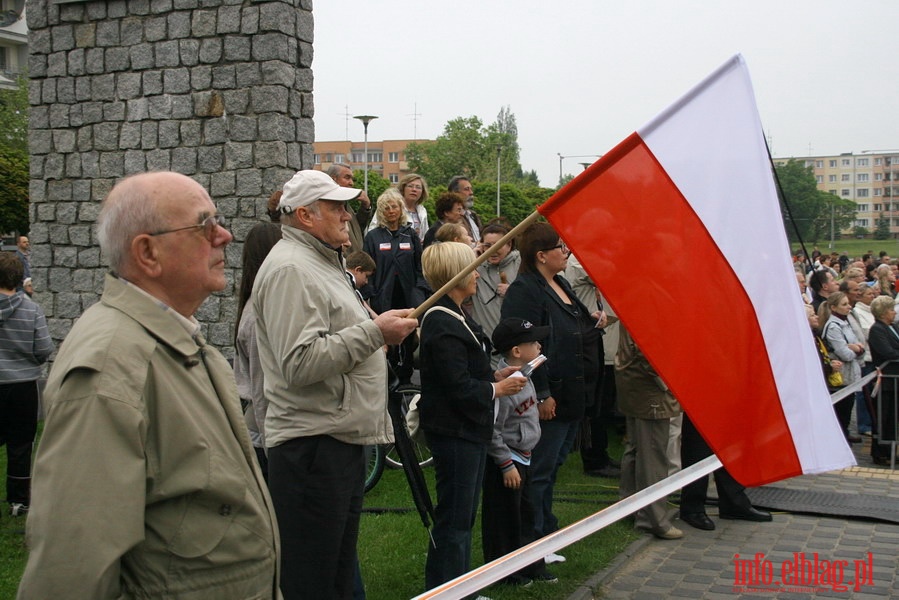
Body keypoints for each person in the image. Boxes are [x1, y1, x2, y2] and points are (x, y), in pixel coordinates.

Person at [18, 172, 280, 599]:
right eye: (205, 225)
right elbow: (72, 566)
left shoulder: (174, 337)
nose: (225, 236)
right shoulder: (109, 369)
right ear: (148, 253)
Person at [253, 169, 417, 600]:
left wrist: (374, 331)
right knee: (313, 579)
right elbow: (299, 361)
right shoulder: (292, 268)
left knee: (337, 576)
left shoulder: (321, 262)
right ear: (305, 215)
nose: (348, 215)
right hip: (313, 446)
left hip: (333, 439)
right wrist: (375, 333)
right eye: (337, 206)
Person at [417, 241, 524, 594]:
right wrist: (496, 391)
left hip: (468, 430)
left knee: (463, 515)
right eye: (472, 267)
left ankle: (460, 586)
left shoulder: (456, 314)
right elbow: (457, 387)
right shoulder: (441, 321)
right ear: (456, 275)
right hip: (455, 432)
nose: (478, 273)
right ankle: (448, 589)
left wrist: (493, 377)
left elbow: (464, 373)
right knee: (455, 518)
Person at [501, 222, 602, 563]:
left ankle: (545, 530)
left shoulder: (559, 282)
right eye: (561, 247)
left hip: (575, 391)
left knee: (554, 464)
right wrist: (542, 393)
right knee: (540, 468)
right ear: (541, 255)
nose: (567, 252)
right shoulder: (525, 290)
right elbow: (524, 345)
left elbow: (576, 322)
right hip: (549, 394)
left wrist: (593, 320)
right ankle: (534, 540)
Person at [482, 317, 557, 586]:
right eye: (532, 341)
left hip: (524, 456)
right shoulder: (507, 384)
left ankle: (530, 565)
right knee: (504, 519)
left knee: (527, 514)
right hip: (509, 461)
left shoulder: (527, 375)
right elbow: (493, 429)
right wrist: (505, 464)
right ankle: (504, 573)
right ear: (516, 351)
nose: (538, 345)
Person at [616, 326, 683, 540]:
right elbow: (649, 351)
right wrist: (668, 380)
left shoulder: (640, 299)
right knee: (653, 455)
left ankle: (630, 507)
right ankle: (653, 519)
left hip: (637, 384)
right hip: (651, 388)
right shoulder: (651, 303)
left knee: (636, 449)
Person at [0, 252, 53, 518]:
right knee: (21, 443)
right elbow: (44, 349)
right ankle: (18, 501)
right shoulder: (31, 309)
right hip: (21, 384)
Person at [363, 188, 430, 385]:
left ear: (401, 210)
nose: (391, 211)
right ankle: (387, 374)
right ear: (381, 212)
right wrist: (371, 293)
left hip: (408, 294)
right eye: (387, 208)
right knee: (386, 335)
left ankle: (406, 375)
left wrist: (421, 290)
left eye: (395, 207)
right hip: (383, 295)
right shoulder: (373, 237)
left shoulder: (410, 235)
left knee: (408, 335)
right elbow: (368, 268)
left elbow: (420, 266)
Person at [234, 222, 283, 481]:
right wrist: (274, 447)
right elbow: (260, 386)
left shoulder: (266, 306)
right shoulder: (257, 316)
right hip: (265, 436)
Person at [564, 252, 619, 479]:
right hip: (594, 343)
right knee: (596, 408)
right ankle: (594, 459)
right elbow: (606, 270)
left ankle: (601, 454)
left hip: (606, 343)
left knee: (604, 407)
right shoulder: (579, 259)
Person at [469, 222, 521, 367]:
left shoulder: (521, 265)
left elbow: (538, 296)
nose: (492, 250)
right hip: (488, 349)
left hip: (516, 349)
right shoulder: (476, 267)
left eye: (498, 245)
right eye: (487, 245)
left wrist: (512, 291)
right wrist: (471, 259)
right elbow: (459, 293)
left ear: (509, 245)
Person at [820, 292, 865, 444]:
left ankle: (844, 434)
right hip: (841, 374)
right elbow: (845, 354)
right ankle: (839, 439)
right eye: (844, 305)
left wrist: (858, 349)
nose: (848, 307)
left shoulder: (846, 323)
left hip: (851, 373)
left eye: (848, 304)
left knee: (848, 407)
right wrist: (856, 349)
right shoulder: (833, 327)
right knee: (841, 410)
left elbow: (859, 345)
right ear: (833, 308)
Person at [866, 295, 899, 466]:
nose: (894, 313)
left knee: (893, 418)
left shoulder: (893, 327)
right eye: (892, 309)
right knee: (883, 416)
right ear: (884, 312)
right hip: (884, 380)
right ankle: (879, 452)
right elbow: (888, 352)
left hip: (895, 380)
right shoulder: (877, 329)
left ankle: (891, 449)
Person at [366, 173, 430, 240]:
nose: (414, 189)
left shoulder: (422, 211)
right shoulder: (389, 207)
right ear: (403, 188)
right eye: (410, 186)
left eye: (418, 187)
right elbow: (372, 230)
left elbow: (426, 235)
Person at [327, 163, 372, 253]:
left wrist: (365, 206)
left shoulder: (345, 203)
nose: (351, 183)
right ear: (333, 179)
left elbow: (357, 229)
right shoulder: (328, 206)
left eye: (352, 179)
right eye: (347, 178)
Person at [448, 175, 482, 242]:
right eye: (466, 189)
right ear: (455, 193)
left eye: (471, 189)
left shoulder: (473, 216)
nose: (471, 193)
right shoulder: (452, 218)